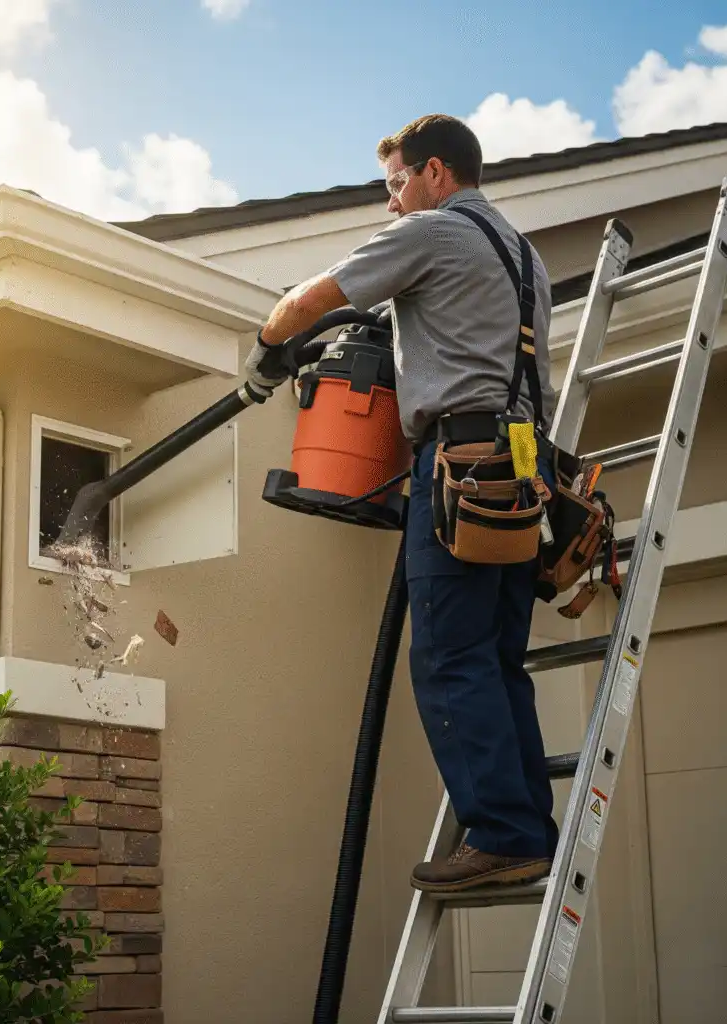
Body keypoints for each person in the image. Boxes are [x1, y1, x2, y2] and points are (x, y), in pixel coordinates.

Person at [244, 114, 559, 893]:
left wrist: (265, 356)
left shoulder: (433, 232)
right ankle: (528, 831)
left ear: (436, 174)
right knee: (497, 659)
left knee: (449, 657)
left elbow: (308, 301)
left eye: (395, 183)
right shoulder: (524, 256)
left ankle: (502, 837)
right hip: (523, 468)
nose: (390, 202)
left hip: (459, 467)